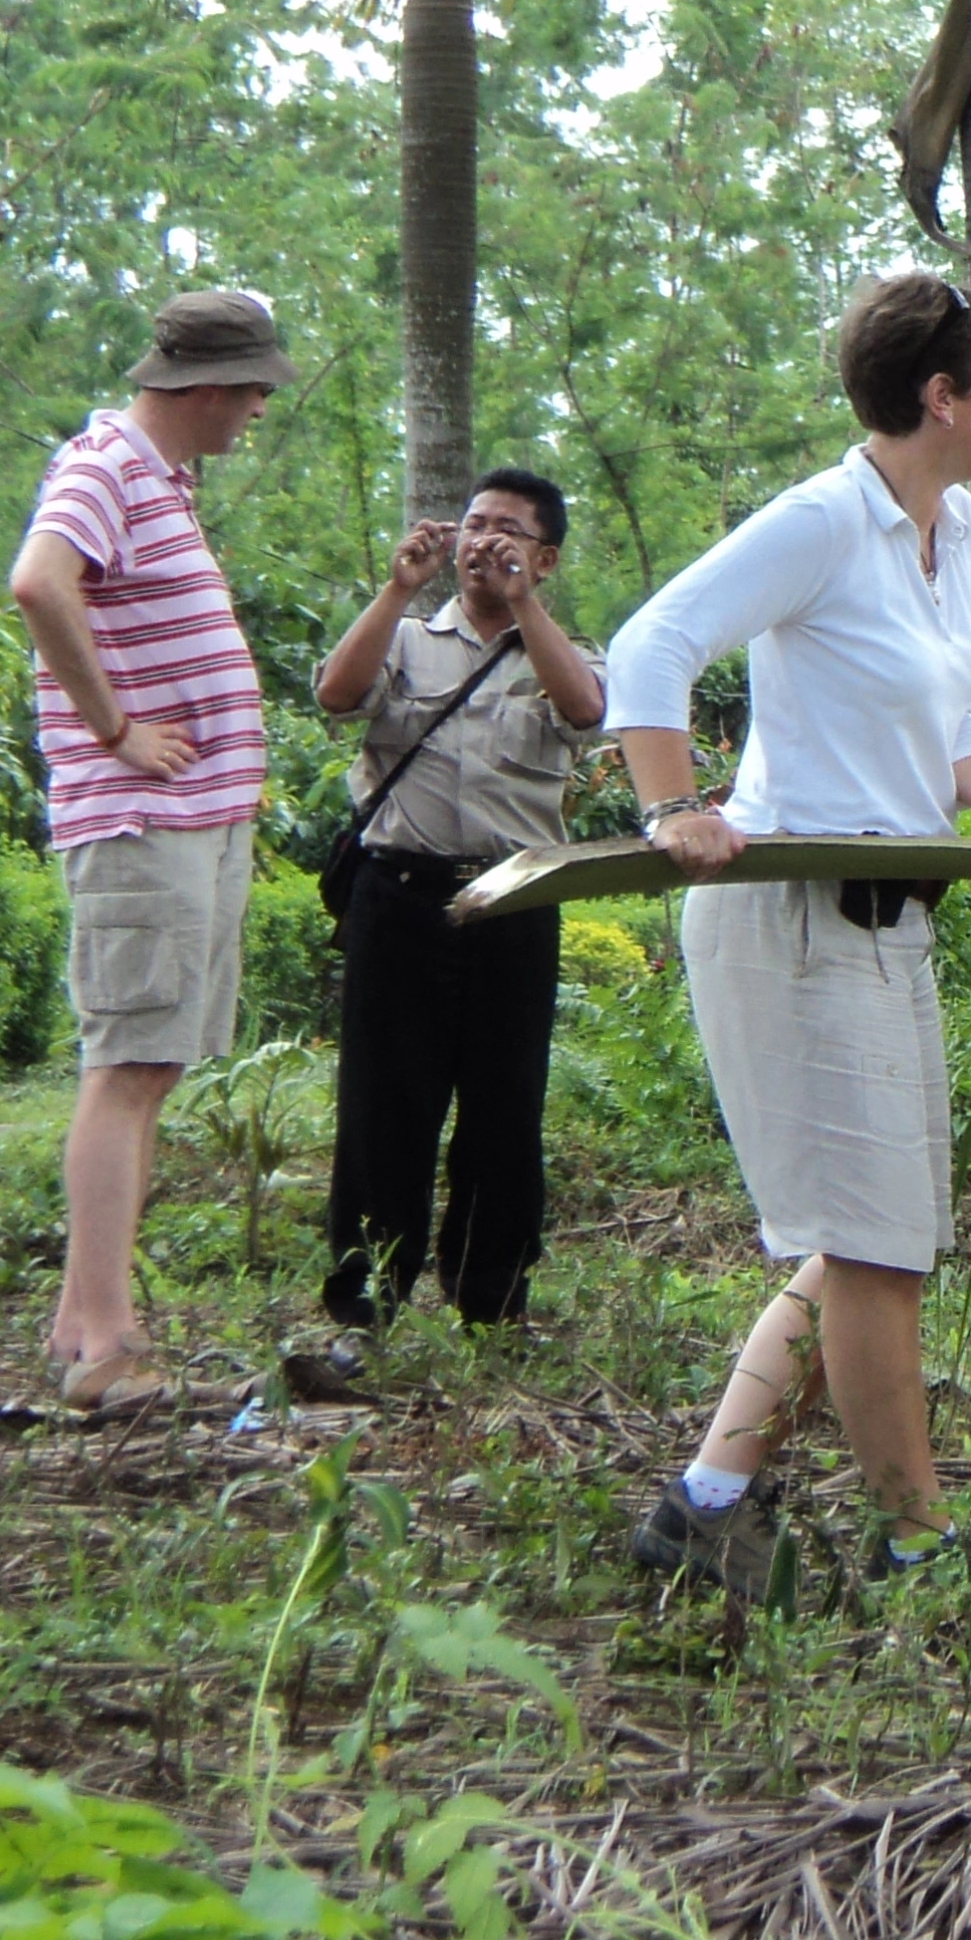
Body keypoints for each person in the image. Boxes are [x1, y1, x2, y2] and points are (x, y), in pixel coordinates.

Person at [605, 270, 971, 1597]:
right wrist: (676, 808)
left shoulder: (957, 523)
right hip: (793, 921)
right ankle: (917, 1543)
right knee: (879, 1254)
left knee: (869, 1238)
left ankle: (705, 1502)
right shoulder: (824, 521)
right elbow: (649, 646)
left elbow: (951, 715)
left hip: (891, 924)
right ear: (941, 398)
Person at [6, 287, 295, 1414]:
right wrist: (117, 729)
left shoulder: (157, 479)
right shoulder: (107, 463)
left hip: (194, 825)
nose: (260, 411)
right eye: (258, 391)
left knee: (149, 1067)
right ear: (214, 386)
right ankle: (106, 1347)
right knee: (125, 1070)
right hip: (142, 825)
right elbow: (38, 582)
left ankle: (85, 1319)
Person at [309, 467, 607, 1332]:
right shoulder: (403, 638)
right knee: (383, 1106)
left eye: (508, 531)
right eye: (474, 524)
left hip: (514, 902)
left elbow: (587, 714)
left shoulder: (565, 650)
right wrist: (397, 585)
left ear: (544, 557)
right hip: (398, 895)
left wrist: (524, 612)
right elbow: (335, 695)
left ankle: (492, 1301)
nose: (484, 542)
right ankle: (367, 1300)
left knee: (506, 1109)